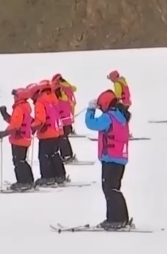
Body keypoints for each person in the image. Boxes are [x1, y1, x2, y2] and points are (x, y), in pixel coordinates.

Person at [84, 90, 132, 230]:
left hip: (111, 158)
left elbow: (92, 124)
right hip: (119, 158)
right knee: (114, 188)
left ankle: (116, 219)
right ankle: (120, 218)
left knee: (109, 188)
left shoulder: (109, 117)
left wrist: (91, 110)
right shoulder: (120, 115)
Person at [0, 87, 36, 191]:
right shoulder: (25, 107)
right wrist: (5, 115)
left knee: (18, 161)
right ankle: (29, 181)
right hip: (25, 138)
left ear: (19, 97)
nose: (14, 98)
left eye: (15, 96)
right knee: (22, 160)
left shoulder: (19, 108)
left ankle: (23, 182)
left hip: (19, 138)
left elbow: (15, 125)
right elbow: (15, 121)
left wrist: (4, 133)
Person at [33, 80, 67, 186]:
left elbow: (40, 119)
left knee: (44, 156)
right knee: (54, 154)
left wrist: (33, 127)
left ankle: (47, 177)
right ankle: (60, 175)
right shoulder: (53, 98)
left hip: (46, 133)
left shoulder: (40, 102)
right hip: (56, 131)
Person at [52, 73, 79, 162]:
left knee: (62, 138)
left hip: (63, 120)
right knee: (63, 138)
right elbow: (74, 88)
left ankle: (67, 156)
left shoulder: (60, 94)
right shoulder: (66, 88)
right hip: (67, 118)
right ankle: (68, 155)